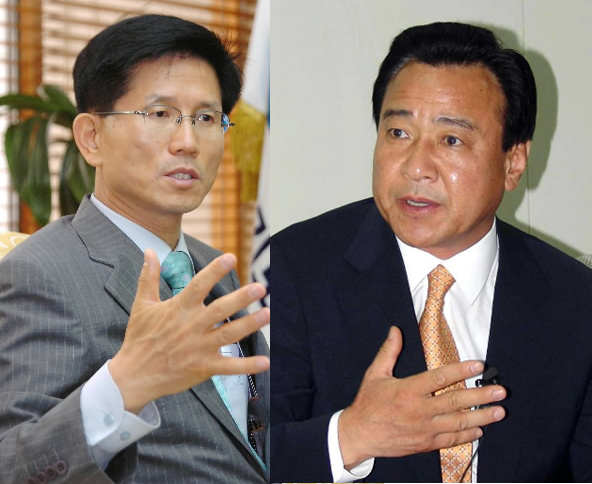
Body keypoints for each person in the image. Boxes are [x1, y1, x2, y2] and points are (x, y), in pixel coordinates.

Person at [270, 22, 592, 483]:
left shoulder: (576, 301)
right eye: (398, 132)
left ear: (513, 162)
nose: (416, 167)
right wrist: (350, 437)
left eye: (451, 140)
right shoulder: (292, 268)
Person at [0, 14, 270, 484]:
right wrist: (124, 386)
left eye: (206, 118)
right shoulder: (40, 271)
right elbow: (13, 467)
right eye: (160, 114)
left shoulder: (210, 266)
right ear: (91, 138)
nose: (187, 142)